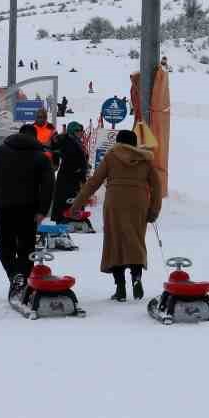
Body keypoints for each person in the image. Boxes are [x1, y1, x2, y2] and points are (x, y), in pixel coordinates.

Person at [77, 129, 162, 301]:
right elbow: (157, 185)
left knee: (114, 241)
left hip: (115, 202)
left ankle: (120, 287)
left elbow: (95, 181)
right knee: (136, 240)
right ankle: (136, 278)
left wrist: (77, 204)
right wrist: (154, 209)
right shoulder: (145, 159)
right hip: (138, 203)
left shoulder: (111, 156)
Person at [0, 123, 55, 288]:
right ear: (35, 137)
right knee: (26, 248)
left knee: (5, 248)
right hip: (29, 210)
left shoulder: (0, 151)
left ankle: (15, 276)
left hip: (5, 208)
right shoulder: (41, 156)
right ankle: (21, 279)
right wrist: (42, 210)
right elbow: (48, 185)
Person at [50, 122, 90, 222]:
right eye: (78, 130)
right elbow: (70, 159)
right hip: (69, 179)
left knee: (73, 201)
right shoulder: (68, 142)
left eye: (82, 130)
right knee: (68, 201)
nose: (81, 133)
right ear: (72, 131)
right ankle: (66, 220)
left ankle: (70, 219)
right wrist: (80, 169)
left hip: (73, 178)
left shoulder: (75, 141)